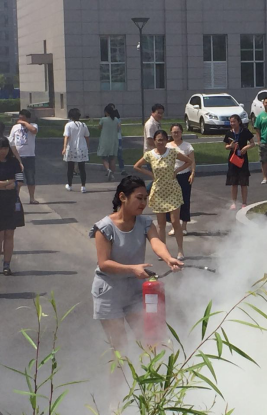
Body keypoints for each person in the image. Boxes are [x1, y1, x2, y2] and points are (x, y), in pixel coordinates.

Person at [90, 176, 183, 405]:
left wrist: (168, 258)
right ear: (123, 197)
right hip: (109, 293)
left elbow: (156, 242)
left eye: (145, 199)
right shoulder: (104, 228)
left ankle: (153, 397)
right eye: (139, 198)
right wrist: (132, 269)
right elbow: (104, 263)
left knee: (151, 341)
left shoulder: (144, 223)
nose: (143, 203)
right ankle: (115, 403)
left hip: (134, 292)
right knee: (119, 349)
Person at [134, 130, 192, 261]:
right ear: (154, 141)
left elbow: (188, 161)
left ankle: (180, 250)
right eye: (158, 140)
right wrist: (151, 175)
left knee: (175, 221)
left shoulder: (172, 152)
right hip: (158, 191)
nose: (160, 142)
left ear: (166, 141)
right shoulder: (150, 154)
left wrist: (177, 171)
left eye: (163, 140)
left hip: (172, 190)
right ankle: (163, 251)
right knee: (161, 224)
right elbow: (137, 166)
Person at [0, 137, 25, 275]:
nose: (2, 151)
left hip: (11, 201)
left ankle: (6, 265)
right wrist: (8, 182)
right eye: (0, 148)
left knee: (9, 234)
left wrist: (12, 183)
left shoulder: (14, 162)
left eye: (5, 148)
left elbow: (20, 181)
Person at [167, 123, 195, 235]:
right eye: (174, 132)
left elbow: (192, 161)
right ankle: (174, 225)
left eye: (178, 132)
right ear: (171, 133)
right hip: (171, 177)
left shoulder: (187, 146)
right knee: (172, 201)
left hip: (184, 175)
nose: (176, 134)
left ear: (181, 132)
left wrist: (192, 173)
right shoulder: (167, 146)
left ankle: (184, 226)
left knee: (185, 200)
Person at [224, 114, 255, 209]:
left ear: (239, 122)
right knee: (233, 182)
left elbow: (253, 143)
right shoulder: (229, 133)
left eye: (234, 121)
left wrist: (245, 148)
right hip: (233, 159)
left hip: (242, 159)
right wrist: (230, 146)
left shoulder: (245, 131)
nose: (232, 123)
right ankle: (233, 202)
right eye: (231, 122)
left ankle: (244, 203)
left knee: (243, 182)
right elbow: (226, 146)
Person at [8, 109, 39, 204]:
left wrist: (25, 123)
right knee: (17, 178)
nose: (20, 120)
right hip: (17, 156)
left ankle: (32, 198)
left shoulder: (33, 125)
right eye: (20, 118)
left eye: (23, 118)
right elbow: (11, 140)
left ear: (28, 118)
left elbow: (34, 131)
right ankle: (16, 198)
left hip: (29, 156)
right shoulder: (15, 127)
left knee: (30, 178)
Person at [62, 108, 90, 193]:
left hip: (71, 147)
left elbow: (66, 136)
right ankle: (83, 186)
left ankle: (70, 185)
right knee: (82, 168)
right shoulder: (83, 125)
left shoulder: (68, 125)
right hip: (82, 147)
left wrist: (64, 147)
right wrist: (87, 146)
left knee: (70, 168)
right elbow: (87, 136)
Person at [98, 105, 121, 181]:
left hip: (105, 140)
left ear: (106, 112)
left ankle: (108, 170)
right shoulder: (116, 120)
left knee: (104, 157)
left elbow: (99, 127)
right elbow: (118, 129)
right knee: (113, 158)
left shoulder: (103, 119)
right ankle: (112, 174)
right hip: (114, 140)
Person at [108, 103, 127, 175]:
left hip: (117, 138)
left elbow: (118, 128)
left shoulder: (117, 119)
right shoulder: (106, 119)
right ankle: (110, 170)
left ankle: (122, 169)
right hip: (110, 139)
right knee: (110, 155)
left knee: (119, 154)